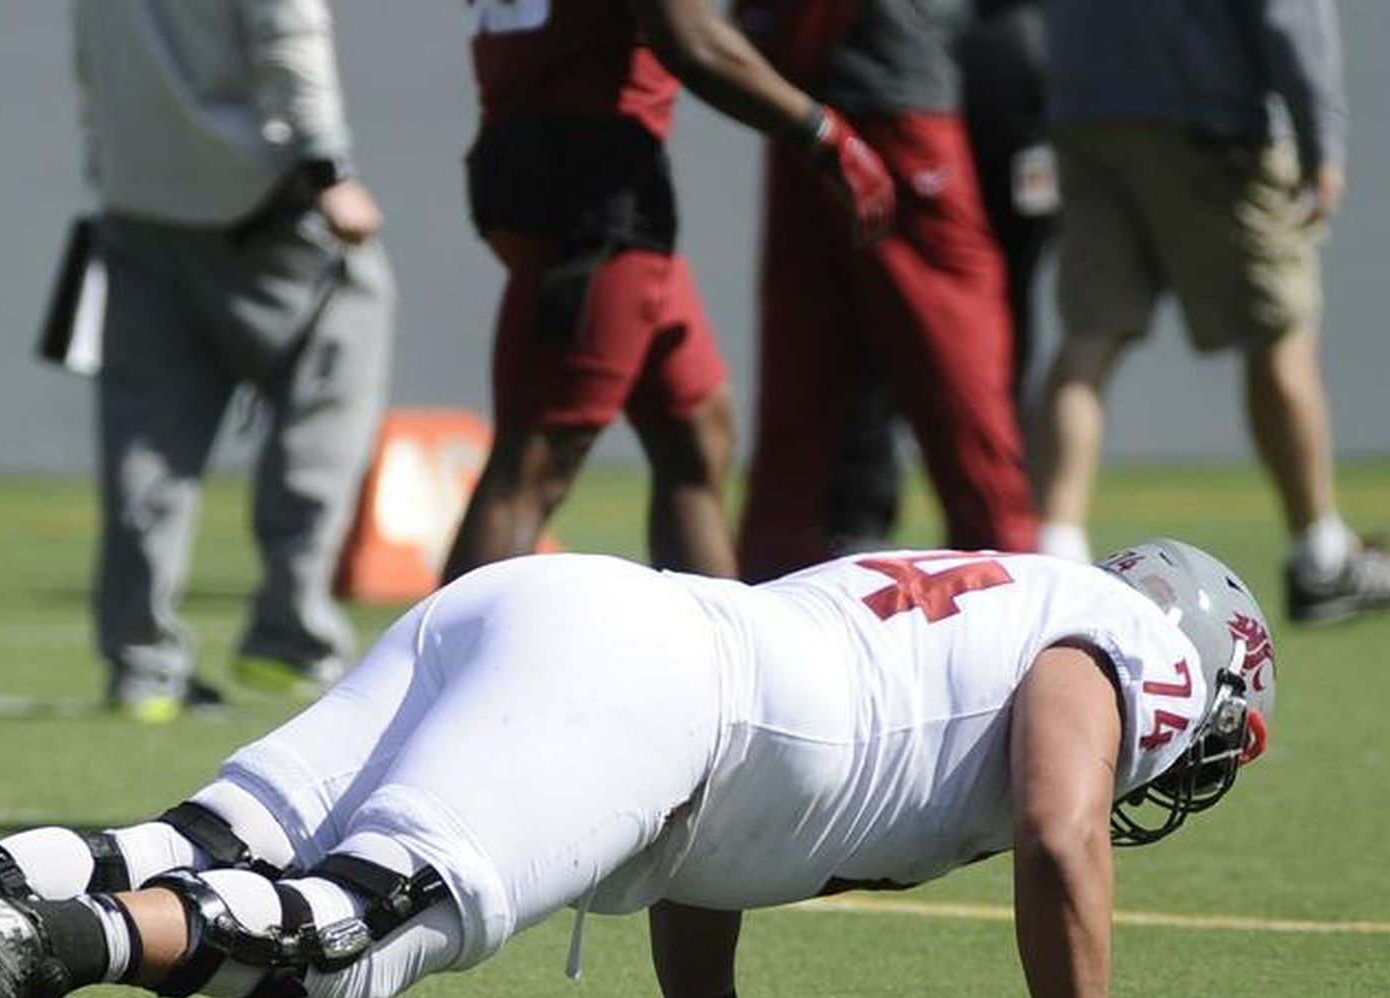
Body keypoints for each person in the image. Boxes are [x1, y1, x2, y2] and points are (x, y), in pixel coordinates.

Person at [0, 537, 1270, 998]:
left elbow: (713, 843)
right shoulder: (1129, 642)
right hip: (659, 686)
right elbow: (1065, 824)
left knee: (196, 832)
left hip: (573, 615)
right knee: (357, 926)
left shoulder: (1009, 586)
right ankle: (23, 957)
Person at [440, 0, 894, 582]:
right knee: (533, 462)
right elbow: (694, 40)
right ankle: (430, 672)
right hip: (594, 185)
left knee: (696, 430)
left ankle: (720, 663)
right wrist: (824, 134)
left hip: (534, 149)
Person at [1033, 0, 1390, 622]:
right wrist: (1321, 135)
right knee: (1281, 337)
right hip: (1209, 119)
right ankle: (1321, 557)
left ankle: (1054, 562)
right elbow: (1289, 15)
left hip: (1088, 114)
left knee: (1088, 341)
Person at [73, 0, 394, 721]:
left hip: (139, 198)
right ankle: (290, 636)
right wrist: (329, 166)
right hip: (267, 201)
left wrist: (107, 162)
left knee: (147, 437)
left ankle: (140, 663)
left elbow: (91, 60)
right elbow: (289, 36)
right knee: (330, 392)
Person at [731, 0, 1038, 582]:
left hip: (799, 100)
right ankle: (1017, 596)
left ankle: (763, 601)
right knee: (963, 374)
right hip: (886, 95)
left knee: (803, 379)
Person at [820, 0, 1055, 559]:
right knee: (897, 309)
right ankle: (866, 519)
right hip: (916, 84)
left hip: (1005, 81)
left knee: (996, 324)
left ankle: (991, 530)